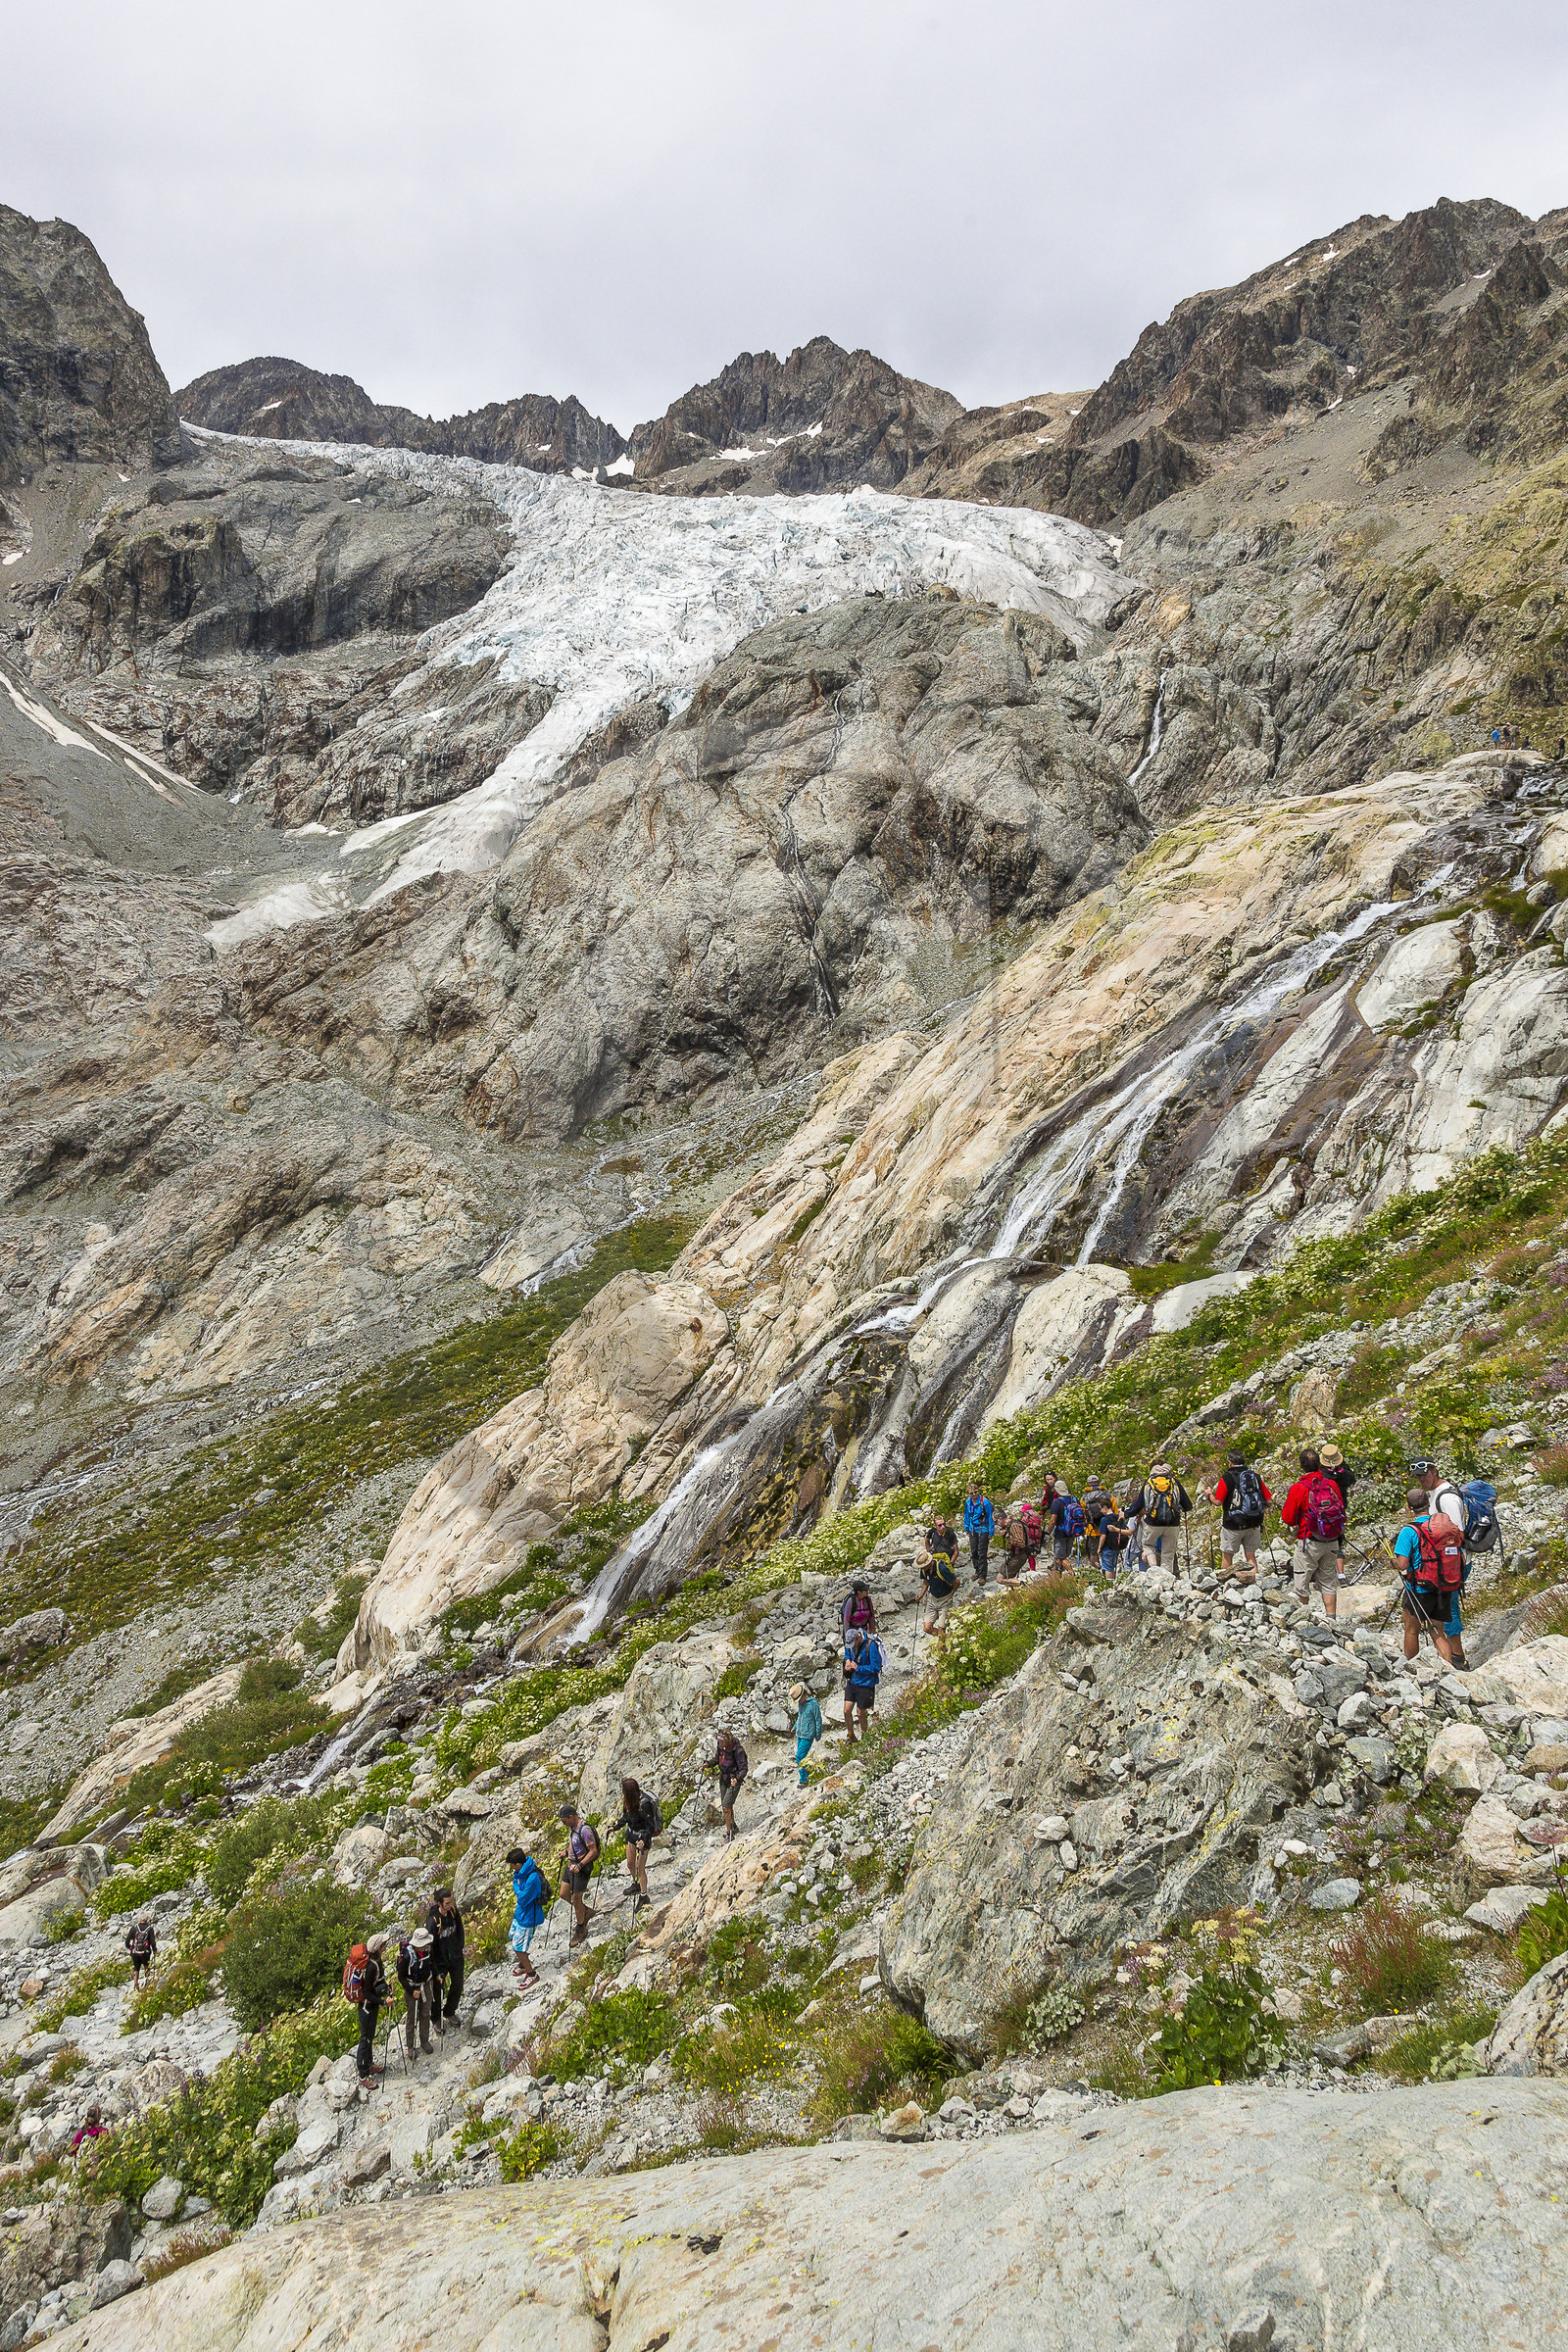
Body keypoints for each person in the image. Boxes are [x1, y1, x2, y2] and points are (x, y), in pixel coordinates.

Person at [1410, 1456, 1485, 1669]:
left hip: (1452, 1563)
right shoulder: (1436, 1495)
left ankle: (1458, 1658)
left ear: (1435, 1471)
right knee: (1445, 1607)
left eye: (1424, 1474)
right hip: (1443, 1562)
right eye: (1418, 1476)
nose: (1422, 1479)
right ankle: (1451, 1654)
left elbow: (1456, 1533)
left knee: (1448, 1608)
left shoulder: (1448, 1498)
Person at [1395, 1483, 1459, 1666]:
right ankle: (1448, 1668)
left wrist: (1393, 1562)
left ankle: (1412, 1669)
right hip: (1443, 1583)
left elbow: (1402, 1564)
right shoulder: (1442, 1526)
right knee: (1437, 1629)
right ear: (1429, 1503)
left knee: (1411, 1628)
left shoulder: (1409, 1531)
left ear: (1409, 1507)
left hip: (1419, 1588)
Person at [1281, 1446, 1343, 1618]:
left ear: (1301, 1466)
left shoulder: (1299, 1488)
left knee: (1302, 1581)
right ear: (1320, 1464)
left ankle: (1304, 1620)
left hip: (1308, 1539)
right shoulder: (1331, 1484)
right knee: (1329, 1581)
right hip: (1332, 1539)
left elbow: (1288, 1518)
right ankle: (1332, 1619)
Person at [1211, 1449, 1270, 1585]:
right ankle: (1255, 1584)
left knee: (1227, 1555)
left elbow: (1218, 1501)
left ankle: (1224, 1584)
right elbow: (1269, 1500)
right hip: (1254, 1522)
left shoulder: (1227, 1477)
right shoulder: (1255, 1476)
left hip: (1232, 1523)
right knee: (1250, 1555)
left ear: (1230, 1463)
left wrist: (1209, 1495)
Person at [344, 1937, 387, 2086]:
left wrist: (387, 1988)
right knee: (365, 2039)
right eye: (384, 1945)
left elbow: (379, 1981)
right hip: (366, 2007)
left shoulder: (376, 1963)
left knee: (370, 2036)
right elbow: (367, 1993)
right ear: (378, 1948)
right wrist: (383, 2002)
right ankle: (363, 2074)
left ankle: (369, 2064)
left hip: (370, 2006)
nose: (386, 1946)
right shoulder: (370, 1967)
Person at [558, 1805, 602, 1945]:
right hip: (571, 1865)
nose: (564, 1825)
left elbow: (593, 1851)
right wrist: (566, 1853)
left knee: (576, 1899)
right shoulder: (573, 1829)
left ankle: (581, 1928)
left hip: (581, 1868)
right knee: (564, 1894)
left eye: (565, 1822)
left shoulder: (585, 1830)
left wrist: (581, 1865)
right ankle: (584, 1911)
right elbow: (575, 1844)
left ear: (571, 1817)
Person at [1135, 1461, 1191, 1570]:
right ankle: (1167, 1578)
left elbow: (1139, 1503)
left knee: (1148, 1546)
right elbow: (1188, 1506)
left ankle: (1155, 1571)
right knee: (1169, 1553)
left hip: (1153, 1522)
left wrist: (1127, 1513)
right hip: (1173, 1523)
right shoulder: (1174, 1482)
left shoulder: (1149, 1482)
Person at [617, 1776, 662, 1909]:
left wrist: (643, 1840)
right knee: (631, 1864)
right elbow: (626, 1817)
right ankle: (635, 1884)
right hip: (631, 1835)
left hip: (642, 1838)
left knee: (640, 1868)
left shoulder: (644, 1804)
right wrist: (615, 1827)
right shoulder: (628, 1801)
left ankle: (643, 1895)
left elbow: (650, 1827)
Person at [507, 1845, 549, 1984]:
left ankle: (531, 1974)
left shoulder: (532, 1878)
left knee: (518, 1947)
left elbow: (523, 1899)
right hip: (520, 1914)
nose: (513, 1870)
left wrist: (518, 1890)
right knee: (513, 1937)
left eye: (513, 1867)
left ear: (518, 1864)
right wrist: (519, 1889)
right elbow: (515, 1883)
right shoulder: (520, 1873)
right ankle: (522, 1964)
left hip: (529, 1917)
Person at [424, 1888, 465, 2032]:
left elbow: (460, 1930)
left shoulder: (453, 1911)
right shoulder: (433, 1921)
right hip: (440, 1962)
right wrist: (434, 1969)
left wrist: (460, 1947)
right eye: (447, 1903)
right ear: (439, 1903)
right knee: (437, 1991)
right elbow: (430, 1947)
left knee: (458, 1984)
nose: (450, 1905)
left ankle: (449, 2011)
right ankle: (435, 2019)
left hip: (455, 1958)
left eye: (451, 1901)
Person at [396, 1927, 436, 2061]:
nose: (424, 1947)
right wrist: (411, 1991)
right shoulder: (407, 1956)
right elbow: (401, 1977)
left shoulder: (428, 1951)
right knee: (411, 2018)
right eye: (422, 1945)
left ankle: (424, 2041)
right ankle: (410, 2046)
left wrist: (437, 1975)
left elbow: (432, 1964)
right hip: (412, 1989)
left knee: (425, 2014)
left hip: (426, 1986)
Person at [1319, 1443, 1356, 1583]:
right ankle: (1341, 1574)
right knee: (1337, 1541)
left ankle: (1322, 1575)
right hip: (1338, 1512)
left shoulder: (1321, 1475)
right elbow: (1351, 1478)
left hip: (1321, 1512)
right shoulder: (1345, 1475)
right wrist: (1342, 1464)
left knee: (1322, 1542)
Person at [842, 1622, 884, 1742]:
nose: (851, 1647)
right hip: (853, 1681)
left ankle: (866, 1737)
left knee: (860, 1713)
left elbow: (876, 1668)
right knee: (846, 1710)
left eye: (853, 1643)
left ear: (859, 1638)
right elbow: (847, 1654)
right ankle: (850, 1735)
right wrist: (847, 1660)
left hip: (866, 1684)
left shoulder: (870, 1646)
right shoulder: (850, 1645)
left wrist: (858, 1668)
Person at [704, 1731, 748, 1841]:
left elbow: (743, 1768)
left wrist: (737, 1779)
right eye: (718, 1740)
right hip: (723, 1779)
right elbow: (717, 1759)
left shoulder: (738, 1750)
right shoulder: (721, 1748)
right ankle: (733, 1826)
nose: (719, 1743)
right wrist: (708, 1764)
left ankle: (729, 1832)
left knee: (726, 1806)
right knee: (726, 1805)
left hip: (733, 1780)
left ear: (727, 1741)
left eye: (721, 1741)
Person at [920, 1527, 960, 1633]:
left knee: (941, 1628)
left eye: (924, 1565)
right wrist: (921, 1595)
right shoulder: (924, 1570)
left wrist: (951, 1593)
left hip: (945, 1600)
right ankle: (945, 1639)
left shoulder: (942, 1568)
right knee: (927, 1628)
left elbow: (956, 1582)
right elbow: (926, 1581)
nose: (922, 1567)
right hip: (932, 1599)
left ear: (929, 1562)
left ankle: (942, 1645)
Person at [1048, 1484, 1088, 1566]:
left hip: (1061, 1532)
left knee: (1060, 1557)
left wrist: (1047, 1533)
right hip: (1072, 1531)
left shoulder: (1057, 1502)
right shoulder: (1074, 1499)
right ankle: (1058, 1575)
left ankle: (1071, 1573)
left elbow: (1052, 1520)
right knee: (1065, 1555)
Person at [791, 1683, 823, 1786]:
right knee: (803, 1756)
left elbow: (818, 1719)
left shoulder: (813, 1704)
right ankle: (810, 1773)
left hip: (808, 1735)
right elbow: (800, 1717)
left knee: (799, 1756)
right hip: (800, 1734)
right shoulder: (801, 1704)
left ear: (804, 1695)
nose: (799, 1701)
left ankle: (804, 1780)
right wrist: (795, 1727)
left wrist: (818, 1734)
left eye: (799, 1699)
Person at [962, 1483, 995, 1584]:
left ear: (978, 1491)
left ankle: (982, 1576)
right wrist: (967, 1527)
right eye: (971, 1493)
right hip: (972, 1529)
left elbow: (990, 1517)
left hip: (983, 1529)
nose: (974, 1495)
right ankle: (977, 1570)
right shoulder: (968, 1502)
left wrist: (991, 1531)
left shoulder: (985, 1502)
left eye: (975, 1492)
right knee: (974, 1551)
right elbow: (966, 1515)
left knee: (982, 1552)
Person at [1096, 1495, 1134, 1577]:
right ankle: (1113, 1583)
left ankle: (1109, 1585)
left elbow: (1103, 1535)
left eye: (1101, 1508)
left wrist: (1099, 1548)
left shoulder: (1104, 1519)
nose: (1100, 1511)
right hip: (1117, 1546)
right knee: (1113, 1566)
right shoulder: (1118, 1517)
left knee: (1108, 1568)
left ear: (1105, 1507)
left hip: (1107, 1547)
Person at [124, 1918, 156, 1989]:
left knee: (136, 1967)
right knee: (146, 1965)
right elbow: (153, 1942)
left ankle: (136, 1984)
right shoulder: (150, 1929)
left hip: (135, 1952)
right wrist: (154, 1950)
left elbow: (127, 1942)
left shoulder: (134, 1928)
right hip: (146, 1952)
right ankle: (148, 1982)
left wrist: (131, 1948)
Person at [1000, 1508, 1029, 1582]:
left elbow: (1021, 1543)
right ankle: (1015, 1588)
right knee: (1003, 1577)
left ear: (1000, 1519)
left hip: (1018, 1556)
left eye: (997, 1522)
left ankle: (1022, 1584)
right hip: (1015, 1555)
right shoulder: (1010, 1526)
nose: (998, 1524)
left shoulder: (1014, 1525)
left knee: (1000, 1578)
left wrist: (1008, 1537)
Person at [1018, 1494, 1044, 1572]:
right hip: (1037, 1535)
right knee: (1033, 1553)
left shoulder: (1026, 1514)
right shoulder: (1036, 1514)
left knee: (1028, 1553)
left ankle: (1031, 1569)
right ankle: (1033, 1568)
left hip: (1029, 1535)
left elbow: (1022, 1524)